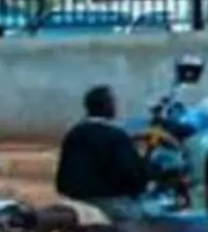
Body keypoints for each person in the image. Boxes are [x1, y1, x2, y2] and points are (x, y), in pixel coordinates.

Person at [56, 85, 154, 222]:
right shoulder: (115, 136)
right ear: (105, 106)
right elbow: (132, 174)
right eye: (112, 102)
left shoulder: (74, 133)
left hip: (74, 199)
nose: (115, 107)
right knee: (148, 219)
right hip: (108, 204)